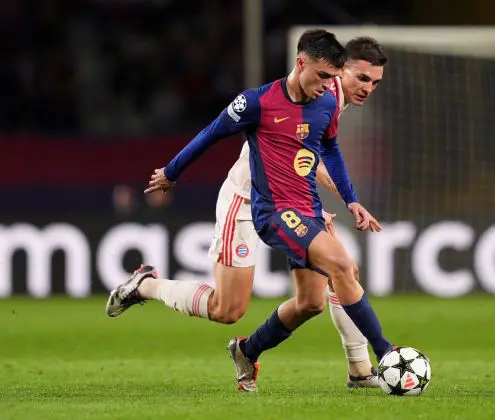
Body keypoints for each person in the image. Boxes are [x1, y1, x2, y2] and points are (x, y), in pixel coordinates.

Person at [106, 29, 395, 392]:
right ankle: (146, 286)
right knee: (228, 310)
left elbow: (313, 154)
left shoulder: (325, 97)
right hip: (247, 200)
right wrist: (171, 172)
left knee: (317, 294)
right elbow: (234, 136)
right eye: (361, 78)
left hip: (297, 200)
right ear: (338, 68)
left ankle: (351, 368)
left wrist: (334, 200)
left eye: (375, 82)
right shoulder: (302, 95)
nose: (367, 88)